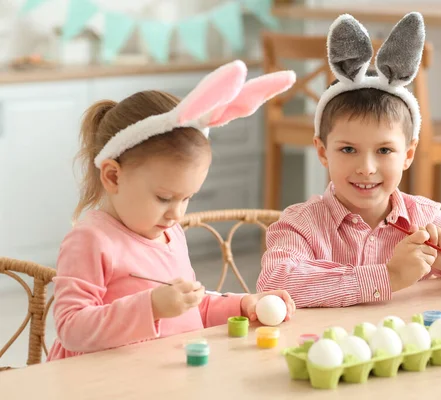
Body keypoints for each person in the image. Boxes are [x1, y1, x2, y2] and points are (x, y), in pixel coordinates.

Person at [257, 13, 441, 308]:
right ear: (322, 152)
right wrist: (389, 276)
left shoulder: (425, 220)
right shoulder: (301, 225)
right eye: (348, 149)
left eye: (384, 151)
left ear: (408, 154)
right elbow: (275, 282)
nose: (366, 168)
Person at [48, 61, 297, 360]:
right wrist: (151, 307)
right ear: (113, 176)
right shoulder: (91, 240)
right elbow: (70, 328)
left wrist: (244, 305)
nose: (177, 214)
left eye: (187, 198)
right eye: (164, 198)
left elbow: (194, 307)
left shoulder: (170, 233)